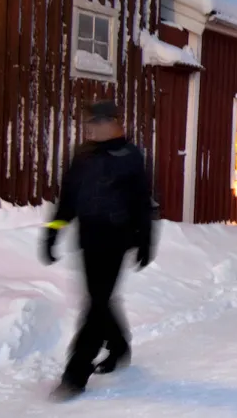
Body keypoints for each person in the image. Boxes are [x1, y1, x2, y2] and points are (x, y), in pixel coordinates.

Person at [40, 100, 156, 402]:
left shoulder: (130, 157)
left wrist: (146, 239)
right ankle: (118, 347)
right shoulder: (83, 156)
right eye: (87, 123)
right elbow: (68, 197)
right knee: (98, 299)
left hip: (117, 240)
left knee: (95, 304)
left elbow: (142, 202)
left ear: (111, 123)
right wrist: (52, 232)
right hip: (88, 239)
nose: (89, 128)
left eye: (94, 122)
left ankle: (75, 375)